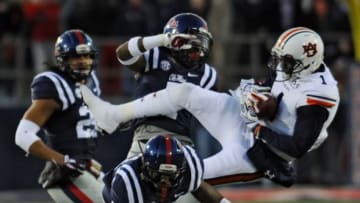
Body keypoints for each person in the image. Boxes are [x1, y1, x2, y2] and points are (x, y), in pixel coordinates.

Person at [81, 27, 340, 187]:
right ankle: (114, 115)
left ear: (308, 62)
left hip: (259, 151)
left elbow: (296, 147)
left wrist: (259, 129)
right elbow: (269, 83)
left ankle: (127, 188)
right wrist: (255, 96)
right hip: (245, 121)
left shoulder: (317, 97)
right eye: (280, 59)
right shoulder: (293, 66)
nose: (280, 67)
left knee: (188, 176)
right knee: (184, 92)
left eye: (287, 63)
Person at [15, 29, 104, 202]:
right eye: (76, 57)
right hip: (65, 174)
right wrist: (61, 160)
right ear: (63, 58)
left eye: (87, 56)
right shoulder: (55, 85)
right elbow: (22, 135)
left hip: (85, 166)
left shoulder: (92, 81)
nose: (83, 62)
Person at [115, 12, 219, 158]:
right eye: (193, 45)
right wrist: (162, 39)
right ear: (175, 41)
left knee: (194, 178)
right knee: (125, 177)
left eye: (200, 45)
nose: (197, 52)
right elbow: (123, 54)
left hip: (183, 141)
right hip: (147, 136)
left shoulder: (207, 74)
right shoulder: (155, 56)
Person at [102, 134, 230, 203]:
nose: (164, 182)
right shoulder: (127, 183)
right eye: (157, 174)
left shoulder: (191, 167)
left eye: (171, 176)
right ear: (144, 167)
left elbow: (199, 187)